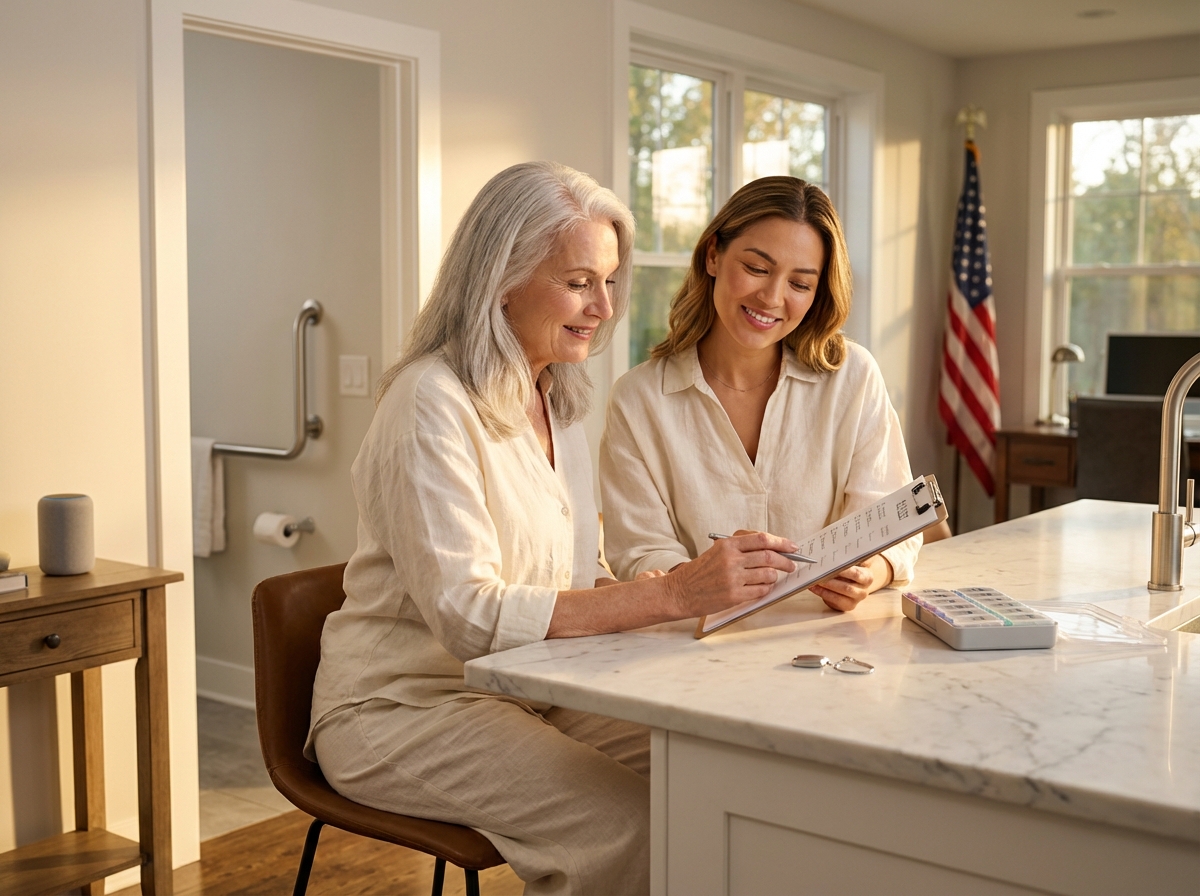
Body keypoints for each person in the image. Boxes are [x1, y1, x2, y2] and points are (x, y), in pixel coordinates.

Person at [305, 162, 799, 896]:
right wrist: (673, 595)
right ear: (500, 278)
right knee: (629, 826)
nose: (604, 306)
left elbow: (572, 580)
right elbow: (470, 617)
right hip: (403, 708)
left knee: (724, 774)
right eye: (578, 282)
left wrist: (686, 599)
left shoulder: (554, 400)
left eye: (607, 281)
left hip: (526, 688)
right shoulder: (428, 402)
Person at [600, 176, 921, 610]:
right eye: (756, 268)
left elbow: (891, 519)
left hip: (829, 641)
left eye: (800, 284)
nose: (772, 297)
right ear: (713, 255)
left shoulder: (853, 377)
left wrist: (870, 572)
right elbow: (638, 550)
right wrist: (701, 578)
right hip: (694, 650)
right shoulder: (638, 400)